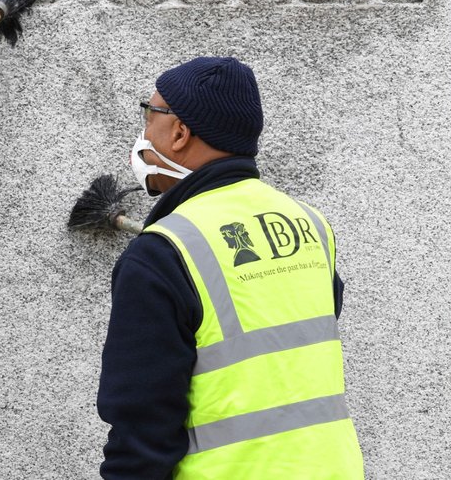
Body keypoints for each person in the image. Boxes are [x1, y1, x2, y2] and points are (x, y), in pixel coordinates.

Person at [97, 57, 364, 479]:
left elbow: (142, 428)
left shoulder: (162, 253)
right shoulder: (310, 224)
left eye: (150, 115)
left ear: (180, 132)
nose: (144, 132)